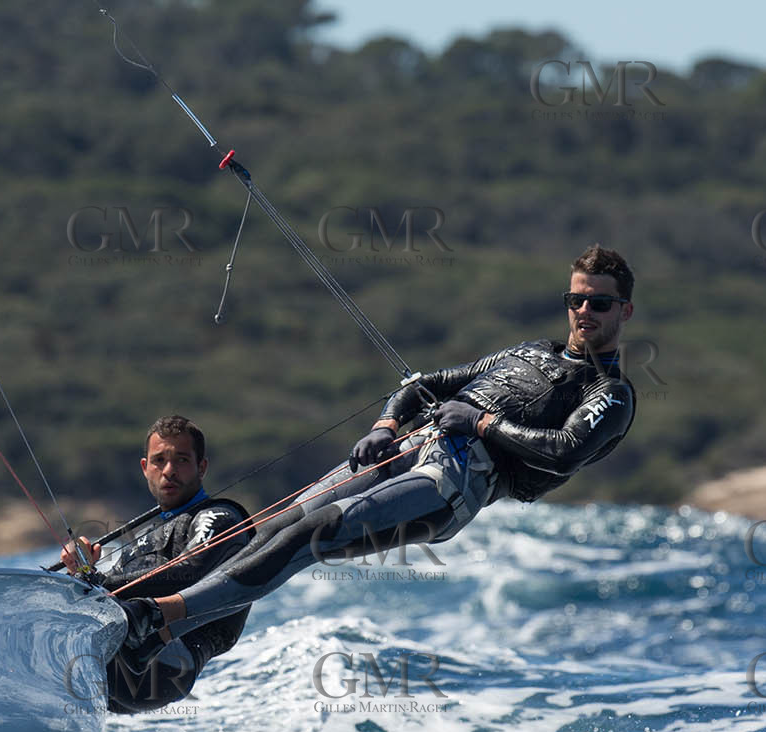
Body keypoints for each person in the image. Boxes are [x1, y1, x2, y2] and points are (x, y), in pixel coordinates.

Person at [114, 245, 638, 672]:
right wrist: (385, 425)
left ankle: (154, 619)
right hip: (408, 448)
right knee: (265, 529)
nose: (584, 312)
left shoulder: (610, 393)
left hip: (454, 482)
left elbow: (562, 452)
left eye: (599, 303)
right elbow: (428, 384)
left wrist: (480, 423)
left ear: (624, 311)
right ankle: (140, 617)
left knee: (312, 533)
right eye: (576, 300)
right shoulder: (527, 352)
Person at [60, 415, 255, 712]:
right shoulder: (144, 538)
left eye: (182, 460)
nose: (169, 470)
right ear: (145, 468)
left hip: (167, 664)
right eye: (159, 460)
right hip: (121, 657)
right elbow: (110, 594)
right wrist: (81, 573)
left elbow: (188, 573)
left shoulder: (220, 517)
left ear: (202, 467)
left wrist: (96, 584)